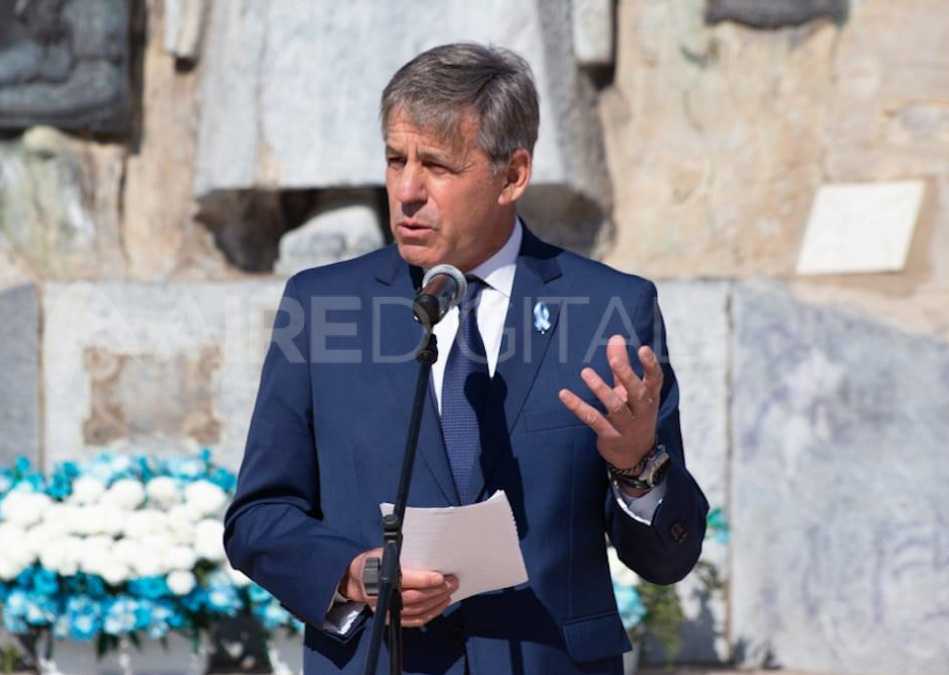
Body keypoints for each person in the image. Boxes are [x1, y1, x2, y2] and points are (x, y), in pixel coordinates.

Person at [224, 43, 709, 675]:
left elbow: (668, 558)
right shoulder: (321, 307)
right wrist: (353, 574)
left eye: (438, 167)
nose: (406, 191)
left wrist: (637, 465)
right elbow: (258, 518)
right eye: (396, 160)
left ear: (513, 175)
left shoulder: (610, 309)